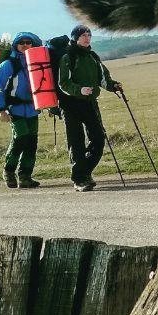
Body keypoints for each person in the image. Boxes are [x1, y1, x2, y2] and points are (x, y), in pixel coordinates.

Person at [57, 24, 122, 191]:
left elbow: (103, 79)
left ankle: (83, 172)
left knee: (99, 140)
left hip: (90, 103)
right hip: (70, 105)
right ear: (75, 38)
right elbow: (63, 83)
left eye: (88, 35)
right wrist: (79, 90)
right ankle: (80, 180)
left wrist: (113, 86)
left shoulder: (93, 56)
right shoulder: (68, 57)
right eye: (83, 35)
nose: (86, 37)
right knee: (76, 142)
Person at [0, 32, 44, 189]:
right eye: (22, 43)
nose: (26, 45)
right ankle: (8, 171)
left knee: (31, 143)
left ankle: (25, 176)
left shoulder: (36, 63)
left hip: (33, 109)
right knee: (20, 139)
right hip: (15, 109)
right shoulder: (7, 65)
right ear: (16, 45)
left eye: (29, 42)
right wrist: (1, 110)